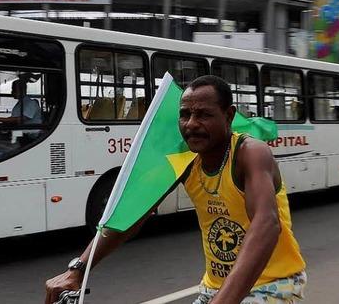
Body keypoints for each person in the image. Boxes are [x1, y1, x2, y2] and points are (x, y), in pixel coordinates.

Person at [45, 75, 306, 304]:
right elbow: (132, 215)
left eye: (203, 114)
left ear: (228, 115)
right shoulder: (186, 159)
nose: (191, 124)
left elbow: (267, 223)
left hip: (272, 285)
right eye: (185, 114)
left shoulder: (250, 152)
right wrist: (77, 269)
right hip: (214, 287)